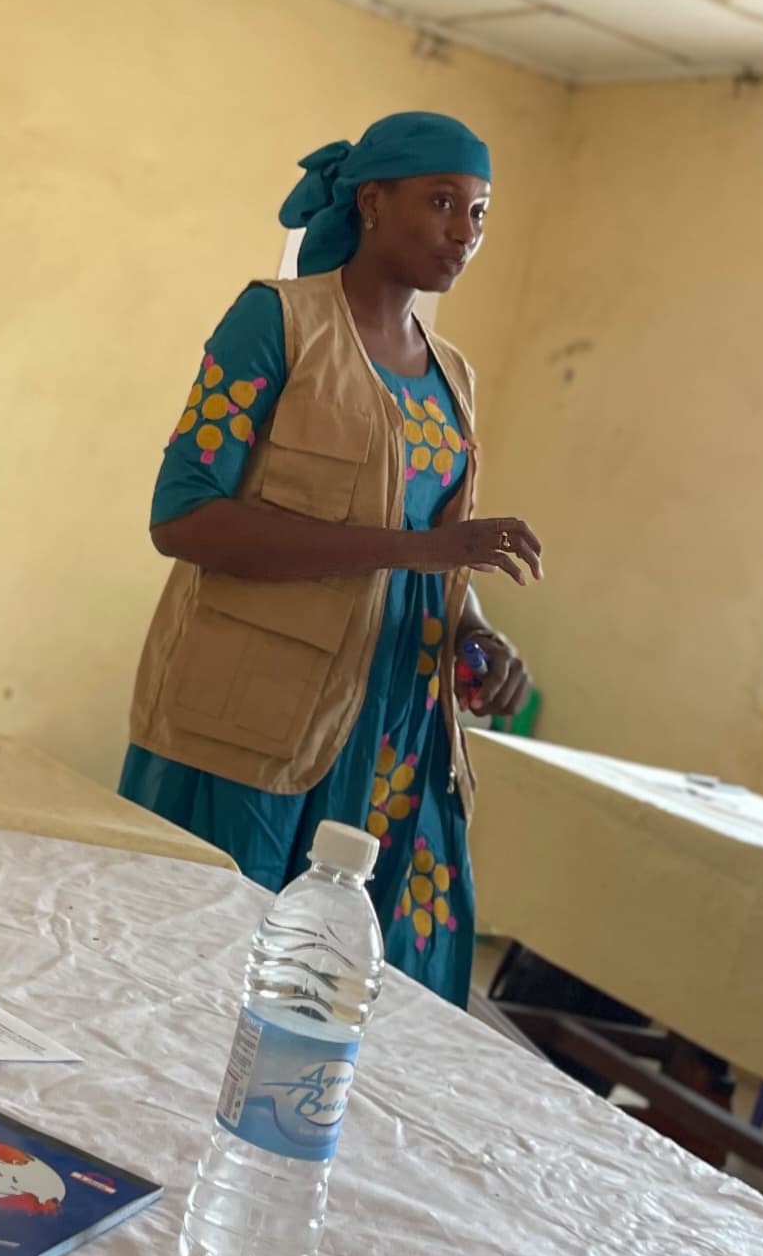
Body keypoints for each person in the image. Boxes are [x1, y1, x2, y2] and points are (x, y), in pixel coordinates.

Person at [118, 112, 541, 1006]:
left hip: (394, 743)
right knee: (183, 979)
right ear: (373, 202)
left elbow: (436, 552)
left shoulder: (452, 376)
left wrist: (476, 631)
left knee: (330, 1009)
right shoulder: (275, 322)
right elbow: (184, 517)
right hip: (253, 727)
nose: (464, 232)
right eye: (442, 203)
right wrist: (419, 549)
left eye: (480, 212)